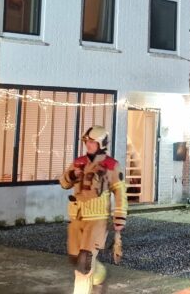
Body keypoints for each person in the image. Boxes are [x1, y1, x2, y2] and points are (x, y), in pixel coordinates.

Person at [59, 126, 127, 294]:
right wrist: (73, 175)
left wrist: (119, 219)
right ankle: (99, 275)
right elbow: (63, 183)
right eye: (87, 142)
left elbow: (120, 192)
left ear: (101, 143)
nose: (88, 145)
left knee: (84, 262)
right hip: (77, 218)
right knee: (76, 259)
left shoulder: (111, 165)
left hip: (97, 219)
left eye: (92, 142)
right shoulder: (78, 162)